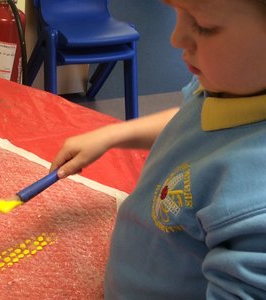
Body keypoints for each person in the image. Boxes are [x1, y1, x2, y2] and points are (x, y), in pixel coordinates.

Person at [50, 0, 266, 298]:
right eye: (177, 12)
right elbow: (192, 115)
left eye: (203, 25)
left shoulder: (257, 202)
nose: (175, 38)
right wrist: (112, 135)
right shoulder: (228, 84)